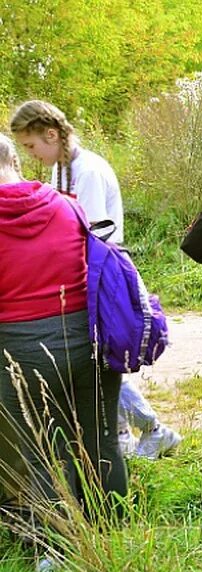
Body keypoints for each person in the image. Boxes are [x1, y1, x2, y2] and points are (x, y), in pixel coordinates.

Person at [10, 100, 181, 460]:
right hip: (80, 278)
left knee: (103, 360)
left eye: (31, 145)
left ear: (51, 134)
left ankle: (149, 429)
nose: (31, 154)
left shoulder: (86, 170)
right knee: (96, 363)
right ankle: (135, 433)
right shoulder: (61, 170)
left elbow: (89, 234)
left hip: (100, 278)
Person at [0, 134, 127, 548]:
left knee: (40, 450)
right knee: (99, 437)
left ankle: (54, 550)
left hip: (21, 351)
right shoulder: (67, 206)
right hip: (87, 340)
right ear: (16, 160)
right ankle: (114, 533)